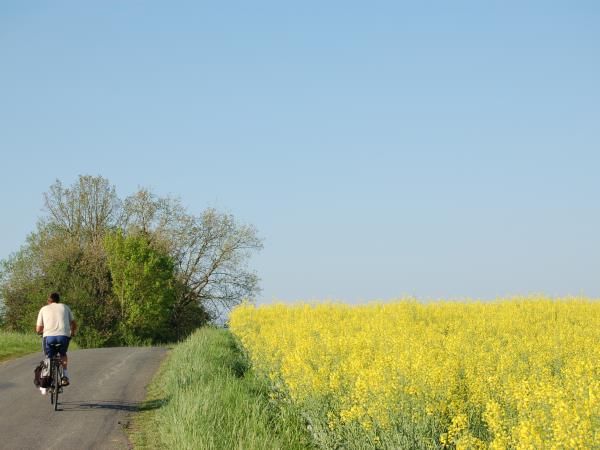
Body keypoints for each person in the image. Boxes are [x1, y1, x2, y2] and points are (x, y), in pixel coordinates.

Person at [35, 292, 77, 392]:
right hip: (63, 336)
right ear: (59, 300)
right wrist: (72, 333)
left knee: (48, 357)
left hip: (49, 338)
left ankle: (45, 383)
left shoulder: (43, 309)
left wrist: (42, 331)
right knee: (63, 354)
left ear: (49, 301)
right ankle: (65, 376)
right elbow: (74, 323)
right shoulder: (65, 307)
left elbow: (38, 329)